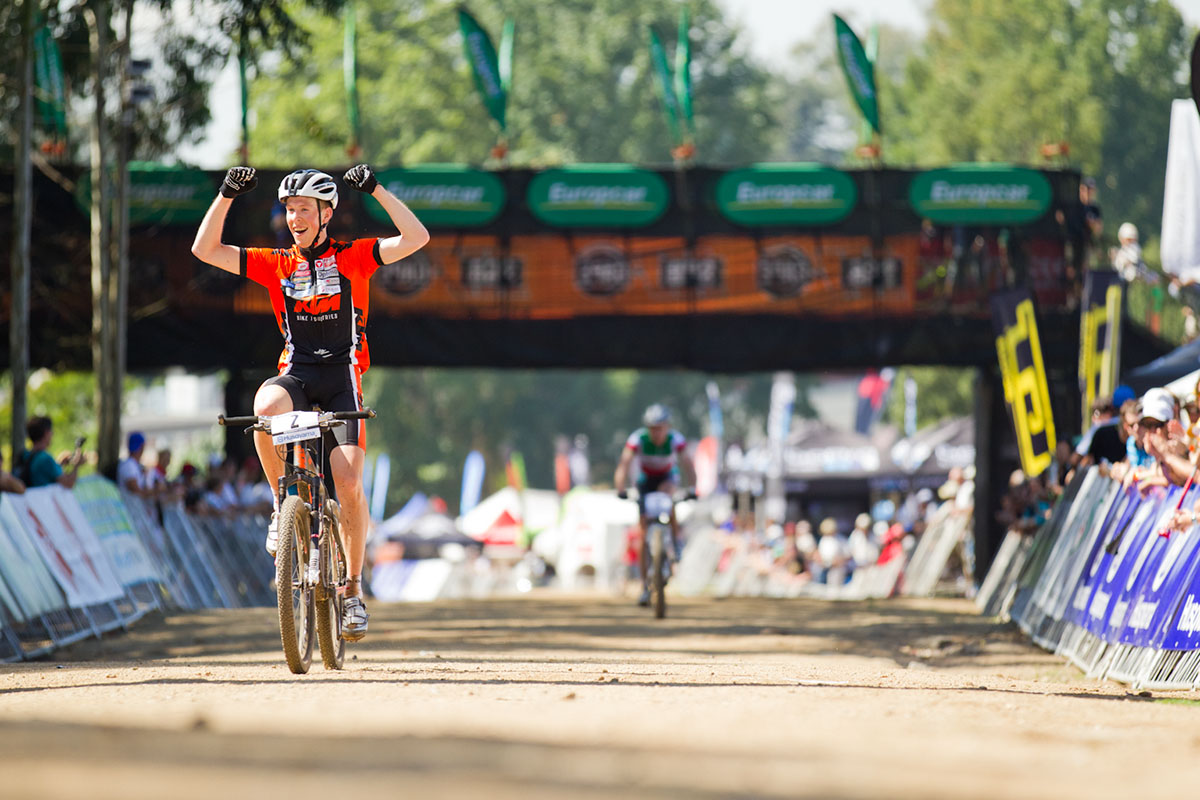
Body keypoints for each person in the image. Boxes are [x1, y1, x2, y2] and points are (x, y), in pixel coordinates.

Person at [191, 164, 430, 642]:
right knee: (265, 407)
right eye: (289, 209)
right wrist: (225, 195)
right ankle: (284, 505)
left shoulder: (355, 256)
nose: (294, 217)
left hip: (343, 380)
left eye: (304, 209)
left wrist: (376, 189)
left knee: (347, 484)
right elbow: (205, 249)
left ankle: (354, 592)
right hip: (297, 375)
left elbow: (417, 237)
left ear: (326, 214)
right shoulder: (276, 262)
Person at [613, 403, 696, 607]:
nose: (656, 433)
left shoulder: (675, 440)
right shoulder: (637, 439)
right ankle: (644, 587)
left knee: (670, 501)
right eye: (653, 428)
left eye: (660, 428)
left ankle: (675, 541)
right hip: (645, 481)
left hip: (667, 478)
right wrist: (620, 488)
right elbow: (624, 464)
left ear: (667, 427)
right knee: (642, 531)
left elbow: (688, 464)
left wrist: (693, 488)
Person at [15, 416, 84, 489]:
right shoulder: (45, 458)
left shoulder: (25, 455)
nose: (52, 434)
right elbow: (68, 483)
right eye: (51, 431)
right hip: (42, 499)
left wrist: (60, 464)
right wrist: (77, 465)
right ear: (46, 433)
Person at [117, 431, 151, 496]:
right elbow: (135, 489)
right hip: (129, 505)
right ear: (141, 447)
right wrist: (155, 491)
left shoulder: (136, 465)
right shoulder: (128, 465)